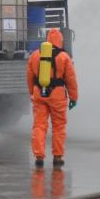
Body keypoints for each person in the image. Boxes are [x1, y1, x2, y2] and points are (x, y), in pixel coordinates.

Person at [27, 28, 78, 167]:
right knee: (58, 126)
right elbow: (71, 79)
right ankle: (57, 157)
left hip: (39, 94)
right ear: (60, 40)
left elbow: (30, 76)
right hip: (57, 95)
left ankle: (39, 156)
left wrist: (32, 92)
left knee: (39, 125)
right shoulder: (64, 57)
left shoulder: (36, 55)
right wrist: (73, 98)